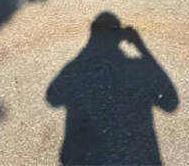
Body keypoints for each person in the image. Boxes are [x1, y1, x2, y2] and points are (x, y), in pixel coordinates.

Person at [46, 12, 178, 165]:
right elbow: (170, 103)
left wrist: (83, 56)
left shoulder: (79, 69)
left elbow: (53, 97)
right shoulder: (138, 68)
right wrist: (141, 47)